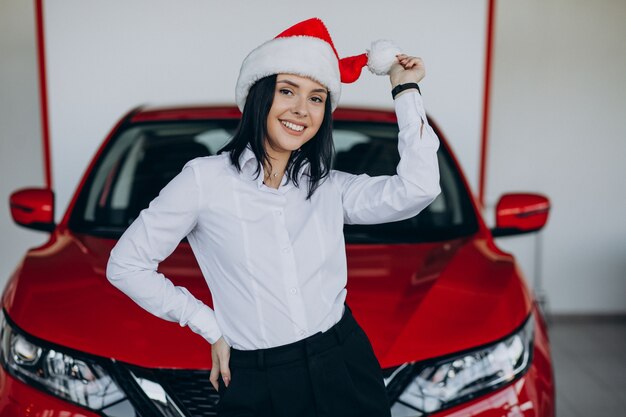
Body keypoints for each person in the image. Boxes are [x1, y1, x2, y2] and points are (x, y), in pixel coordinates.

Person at [106, 17, 441, 417]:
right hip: (257, 380)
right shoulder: (203, 180)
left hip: (344, 360)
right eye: (288, 91)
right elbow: (125, 264)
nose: (301, 110)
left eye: (316, 98)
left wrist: (405, 89)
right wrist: (207, 325)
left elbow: (417, 190)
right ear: (259, 96)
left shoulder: (329, 186)